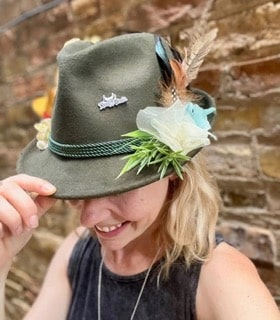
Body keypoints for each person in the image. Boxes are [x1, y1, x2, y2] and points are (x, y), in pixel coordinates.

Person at [0, 32, 279, 320]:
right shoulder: (77, 253)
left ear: (173, 171)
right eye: (79, 191)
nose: (89, 219)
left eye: (118, 186)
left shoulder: (221, 279)